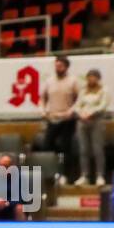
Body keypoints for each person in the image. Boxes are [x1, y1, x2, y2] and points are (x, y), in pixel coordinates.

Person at [41, 55, 79, 183]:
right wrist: (43, 109)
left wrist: (71, 111)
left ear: (66, 67)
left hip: (68, 119)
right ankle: (51, 174)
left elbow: (79, 99)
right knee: (47, 145)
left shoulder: (73, 81)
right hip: (52, 118)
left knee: (66, 148)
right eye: (56, 66)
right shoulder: (49, 81)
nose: (58, 68)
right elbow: (43, 97)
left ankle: (65, 175)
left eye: (60, 66)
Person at [75, 69, 110, 186]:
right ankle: (84, 175)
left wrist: (91, 113)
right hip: (82, 121)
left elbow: (103, 105)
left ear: (98, 78)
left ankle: (99, 175)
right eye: (89, 77)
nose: (91, 79)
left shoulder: (103, 90)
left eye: (93, 77)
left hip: (96, 121)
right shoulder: (83, 90)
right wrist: (81, 114)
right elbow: (77, 105)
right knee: (84, 150)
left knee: (97, 149)